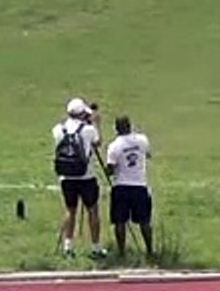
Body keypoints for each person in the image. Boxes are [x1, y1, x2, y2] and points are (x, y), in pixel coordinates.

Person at [52, 98, 106, 258]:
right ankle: (96, 247)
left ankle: (67, 246)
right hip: (86, 176)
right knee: (93, 211)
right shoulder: (88, 130)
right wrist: (96, 123)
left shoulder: (58, 129)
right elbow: (97, 143)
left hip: (66, 176)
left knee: (70, 210)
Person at [105, 115, 153, 258]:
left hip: (121, 186)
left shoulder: (114, 146)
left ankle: (121, 252)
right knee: (144, 221)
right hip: (140, 185)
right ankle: (150, 250)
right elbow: (147, 155)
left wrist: (107, 170)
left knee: (120, 221)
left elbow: (111, 169)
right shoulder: (142, 140)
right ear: (130, 126)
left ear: (116, 129)